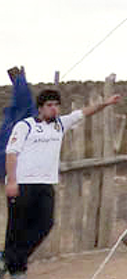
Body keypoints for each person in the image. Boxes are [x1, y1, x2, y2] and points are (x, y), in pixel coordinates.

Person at [4, 89, 120, 277]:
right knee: (17, 226)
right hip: (23, 182)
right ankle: (17, 269)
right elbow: (11, 153)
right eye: (49, 105)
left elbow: (84, 113)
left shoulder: (60, 124)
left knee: (45, 224)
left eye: (57, 105)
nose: (54, 109)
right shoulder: (25, 126)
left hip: (46, 182)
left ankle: (10, 259)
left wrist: (105, 103)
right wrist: (12, 181)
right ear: (40, 108)